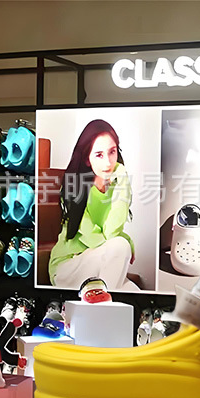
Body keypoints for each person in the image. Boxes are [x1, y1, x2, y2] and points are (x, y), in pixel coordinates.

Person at [48, 119, 139, 291]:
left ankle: (101, 300)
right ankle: (102, 302)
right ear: (87, 158)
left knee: (133, 291)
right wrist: (126, 240)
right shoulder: (75, 187)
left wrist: (123, 181)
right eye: (99, 155)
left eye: (112, 152)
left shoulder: (116, 185)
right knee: (121, 245)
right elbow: (97, 239)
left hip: (97, 264)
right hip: (68, 266)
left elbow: (110, 232)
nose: (108, 162)